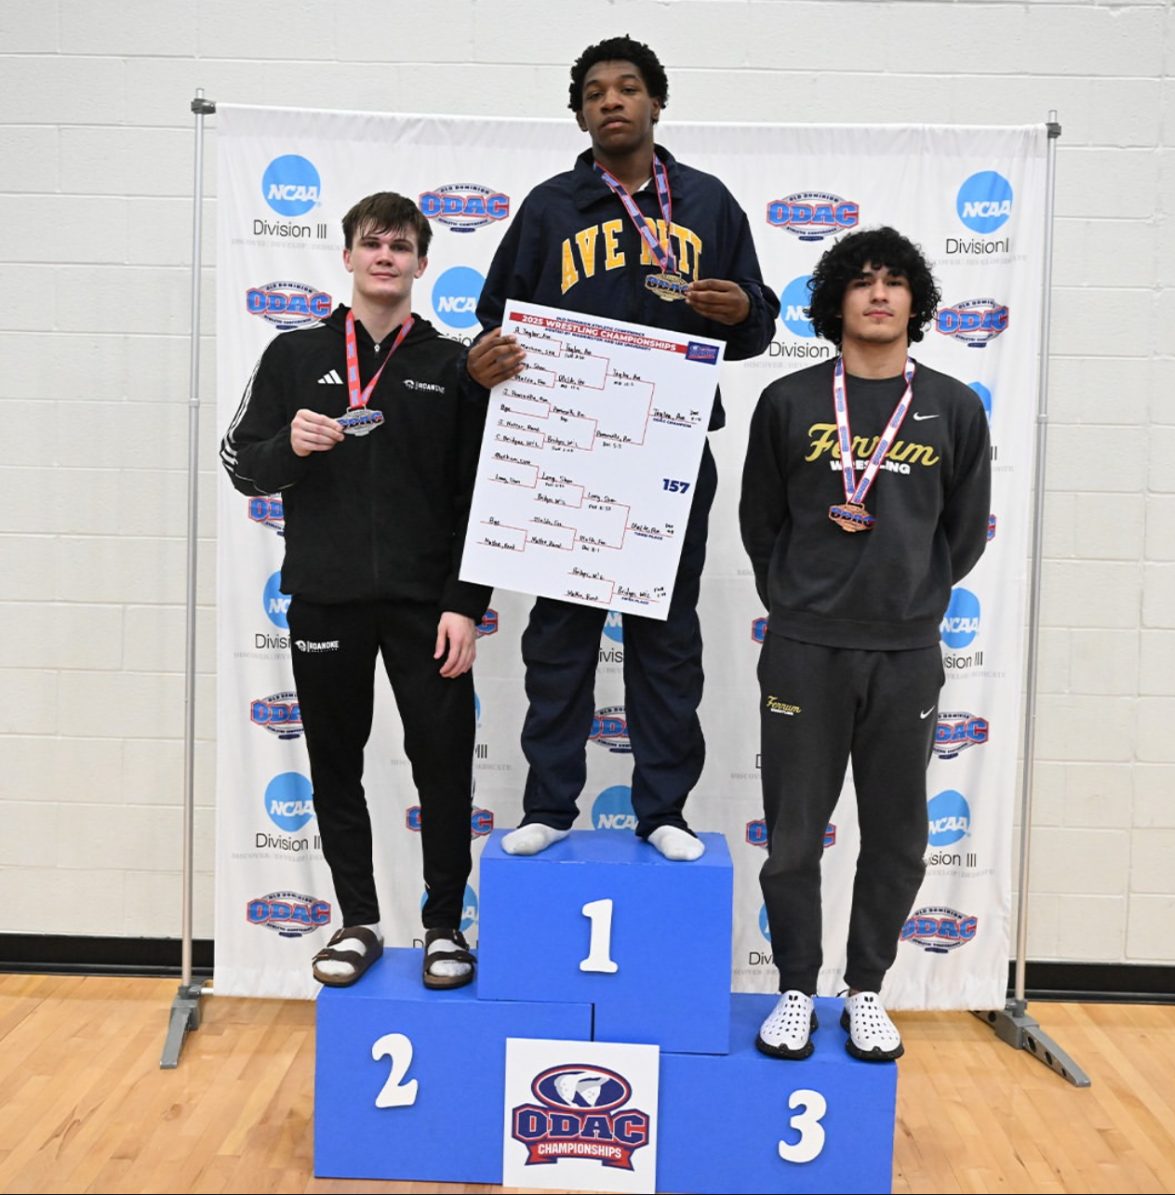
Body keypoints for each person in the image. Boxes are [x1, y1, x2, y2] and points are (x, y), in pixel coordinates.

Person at [468, 35, 779, 862]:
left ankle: (664, 809)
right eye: (596, 91)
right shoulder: (548, 207)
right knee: (559, 634)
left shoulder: (708, 204)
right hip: (567, 451)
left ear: (655, 104)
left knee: (666, 635)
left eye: (628, 87)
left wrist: (739, 310)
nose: (612, 100)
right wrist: (490, 355)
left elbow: (760, 325)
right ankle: (548, 805)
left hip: (669, 456)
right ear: (580, 112)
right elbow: (499, 320)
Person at [221, 192, 511, 989]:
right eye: (371, 243)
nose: (386, 256)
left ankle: (446, 926)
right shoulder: (292, 357)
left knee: (443, 766)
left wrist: (465, 601)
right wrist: (290, 443)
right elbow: (242, 461)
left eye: (401, 245)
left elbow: (482, 495)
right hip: (324, 599)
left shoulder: (453, 365)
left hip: (429, 606)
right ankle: (358, 921)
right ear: (346, 257)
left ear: (422, 263)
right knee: (335, 766)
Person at [739, 226, 991, 1061]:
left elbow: (964, 530)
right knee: (795, 835)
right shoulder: (790, 400)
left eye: (894, 282)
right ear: (835, 300)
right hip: (806, 645)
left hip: (906, 649)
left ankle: (868, 988)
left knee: (895, 834)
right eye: (862, 281)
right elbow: (759, 521)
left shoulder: (953, 405)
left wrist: (912, 595)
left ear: (915, 301)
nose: (878, 294)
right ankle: (796, 989)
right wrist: (802, 599)